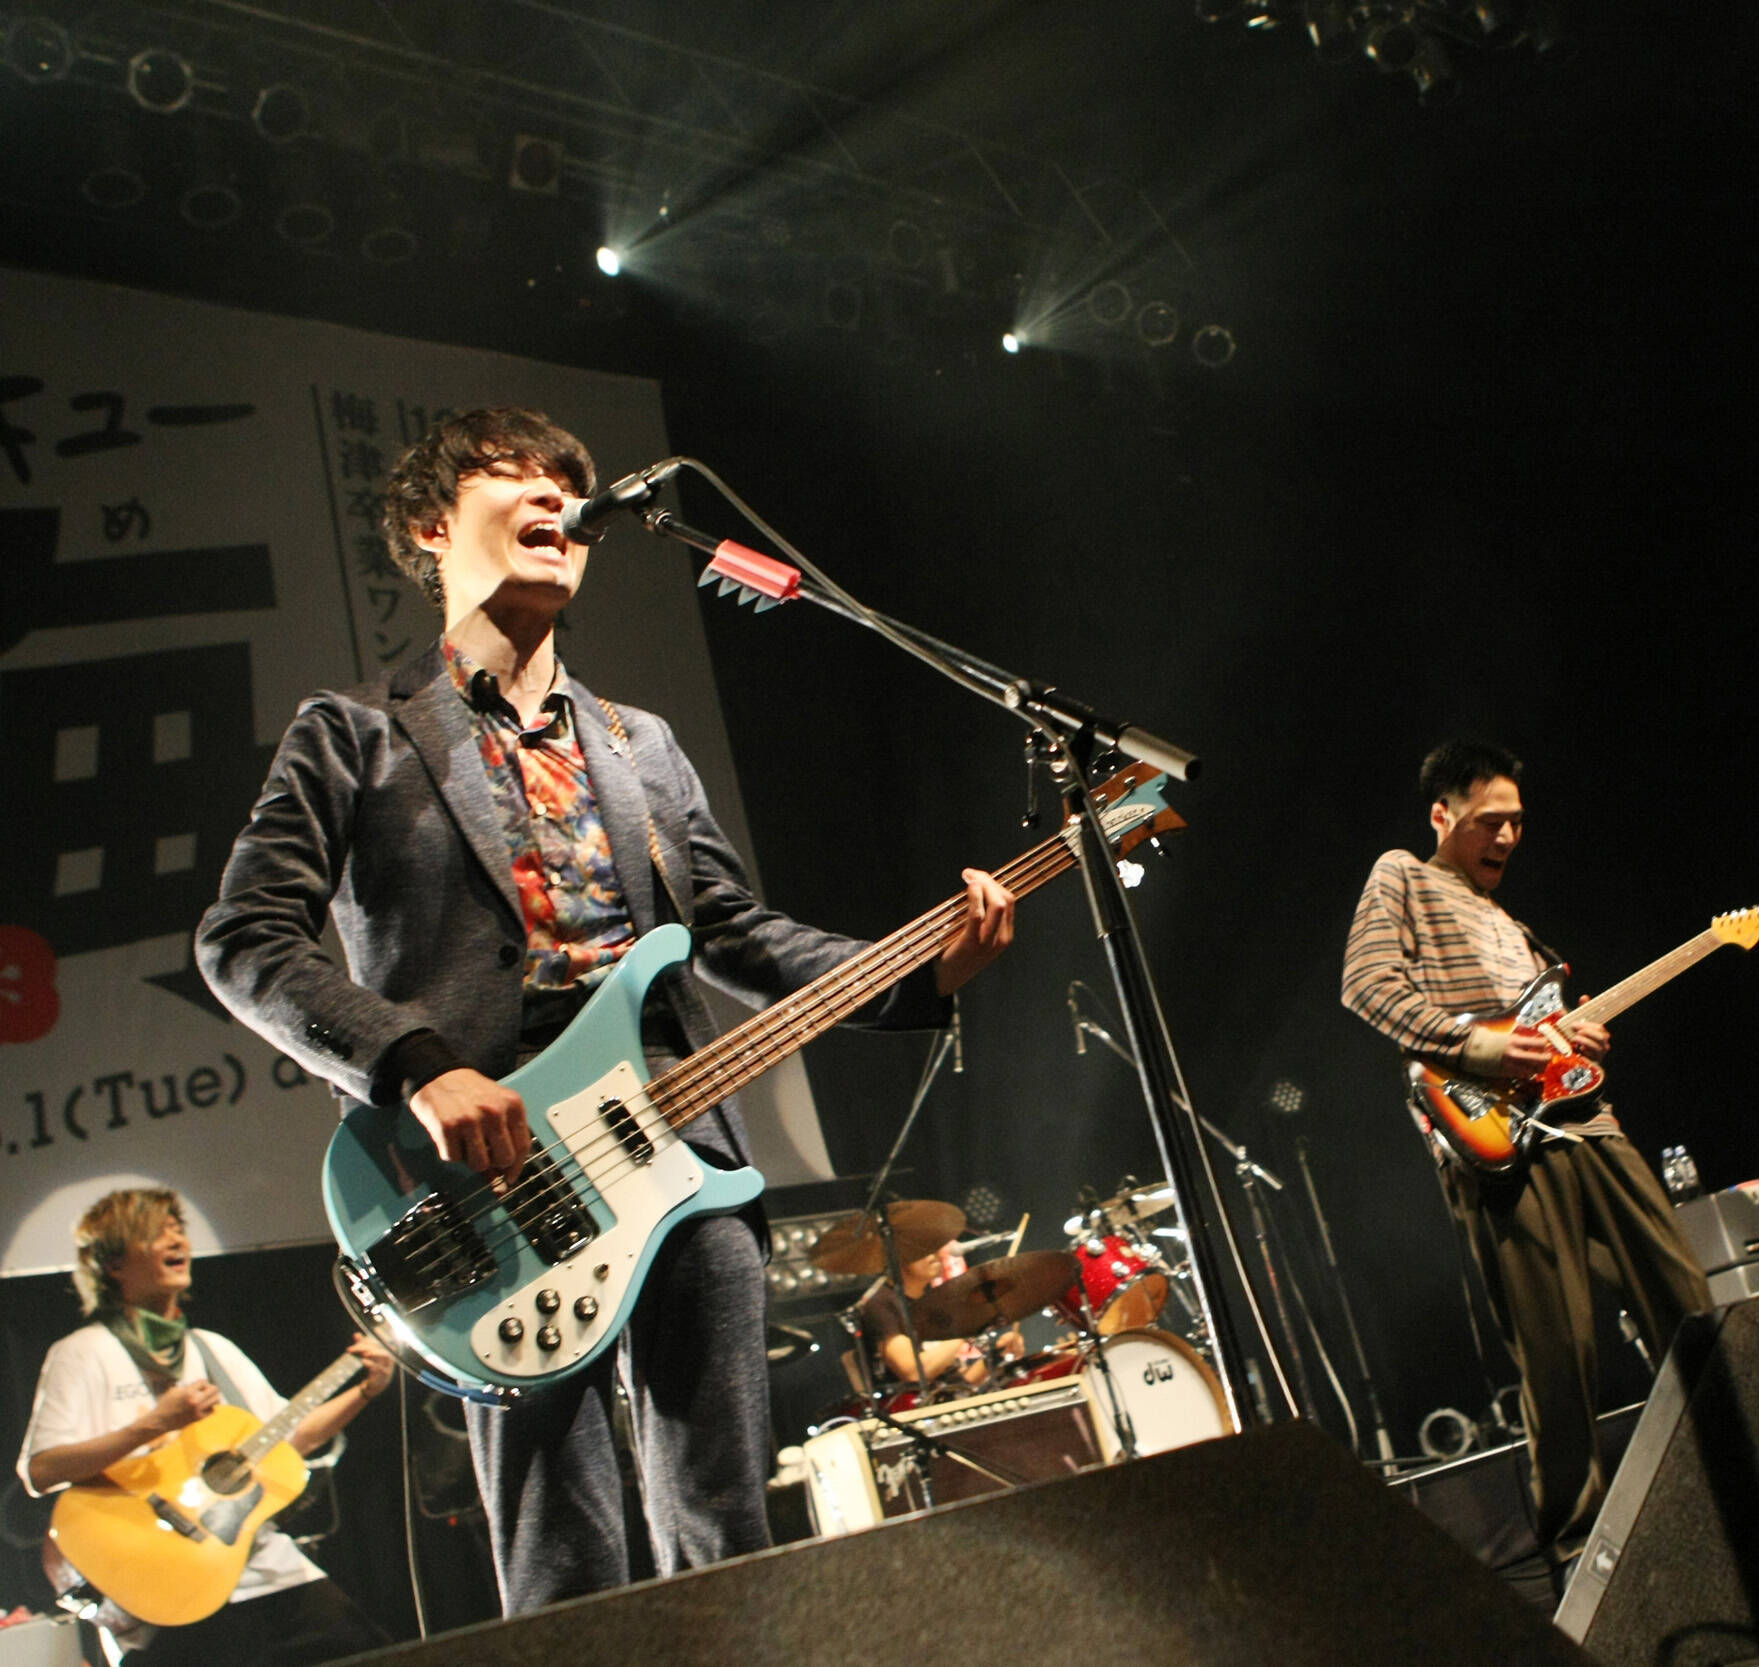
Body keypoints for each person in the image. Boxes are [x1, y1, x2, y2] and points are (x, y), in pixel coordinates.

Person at [194, 408, 1016, 1615]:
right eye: (512, 474)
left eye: (567, 481)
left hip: (676, 1145)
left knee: (724, 1510)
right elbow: (243, 939)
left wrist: (911, 969)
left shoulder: (641, 744)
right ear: (429, 526)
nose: (553, 495)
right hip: (484, 1179)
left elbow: (730, 930)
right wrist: (416, 1064)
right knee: (561, 1541)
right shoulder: (357, 731)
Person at [1340, 740, 1711, 1547]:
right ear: (1442, 815)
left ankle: (1740, 1470)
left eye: (1516, 822)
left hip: (1586, 1123)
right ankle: (1577, 1546)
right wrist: (1481, 1046)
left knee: (1685, 1298)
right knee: (1558, 1349)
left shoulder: (1515, 924)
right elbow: (1365, 984)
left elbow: (1541, 1032)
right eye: (1488, 821)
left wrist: (1575, 1036)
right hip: (1493, 1135)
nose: (1507, 836)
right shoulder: (1403, 875)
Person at [17, 1189, 393, 1667]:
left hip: (265, 1570)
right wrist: (155, 1424)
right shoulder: (83, 1353)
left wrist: (363, 1391)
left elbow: (287, 1441)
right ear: (113, 1263)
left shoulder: (213, 1348)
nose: (178, 1241)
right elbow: (42, 1470)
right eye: (156, 1233)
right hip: (163, 1585)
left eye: (179, 1230)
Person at [855, 1242, 1025, 1397]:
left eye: (933, 1247)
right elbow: (914, 1372)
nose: (934, 1255)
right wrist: (966, 1329)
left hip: (948, 1403)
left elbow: (958, 1384)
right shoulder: (880, 1303)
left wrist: (998, 1354)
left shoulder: (933, 1301)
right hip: (913, 1411)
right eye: (921, 1250)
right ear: (896, 1257)